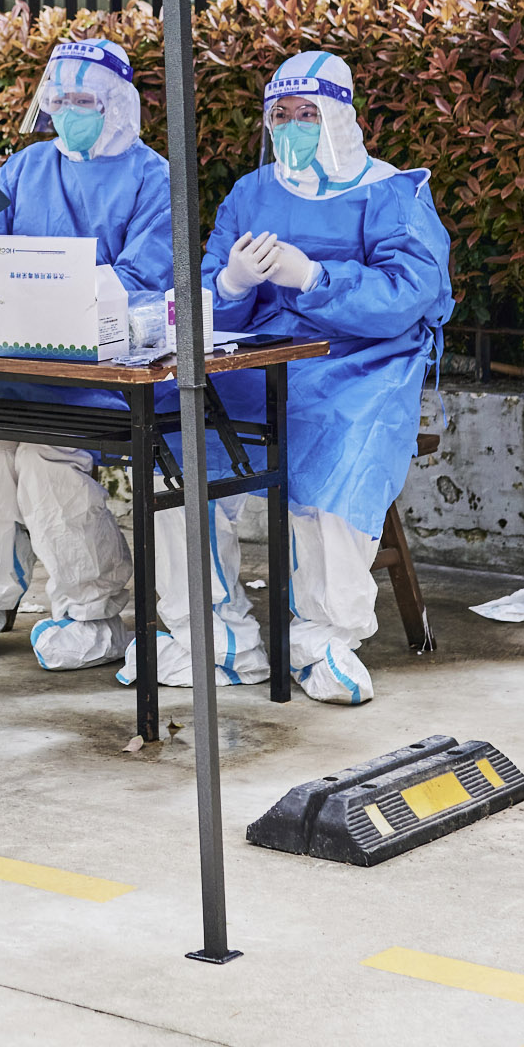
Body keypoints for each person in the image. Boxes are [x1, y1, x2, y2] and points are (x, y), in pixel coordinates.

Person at [132, 51, 452, 705]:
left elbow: (412, 292)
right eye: (282, 115)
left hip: (360, 365)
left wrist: (313, 277)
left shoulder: (390, 191)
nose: (294, 127)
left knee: (336, 455)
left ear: (341, 117)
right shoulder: (252, 194)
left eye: (310, 114)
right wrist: (229, 283)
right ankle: (214, 637)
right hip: (258, 359)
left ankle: (324, 639)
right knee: (180, 441)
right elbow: (203, 300)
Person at [0, 37, 170, 671]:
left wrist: (71, 293)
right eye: (58, 99)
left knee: (44, 460)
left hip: (100, 377)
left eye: (83, 100)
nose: (67, 111)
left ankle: (94, 610)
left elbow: (145, 277)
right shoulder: (24, 171)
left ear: (116, 105)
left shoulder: (152, 177)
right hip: (19, 370)